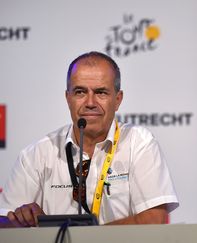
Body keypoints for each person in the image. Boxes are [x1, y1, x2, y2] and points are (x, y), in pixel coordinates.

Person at [0, 51, 179, 227]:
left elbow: (154, 220)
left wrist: (80, 238)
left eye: (101, 92)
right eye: (80, 92)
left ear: (118, 100)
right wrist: (23, 220)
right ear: (68, 98)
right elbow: (4, 223)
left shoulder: (139, 143)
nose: (90, 103)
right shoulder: (37, 154)